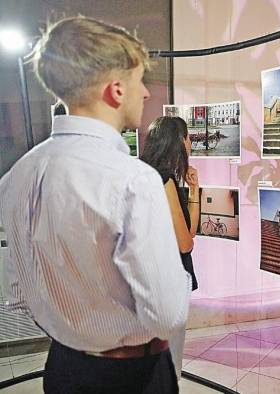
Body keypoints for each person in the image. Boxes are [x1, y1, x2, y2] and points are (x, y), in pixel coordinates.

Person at [0, 16, 189, 393]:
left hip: (62, 368)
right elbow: (168, 314)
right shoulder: (133, 180)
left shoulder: (16, 176)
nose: (147, 94)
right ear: (116, 90)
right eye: (140, 82)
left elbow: (17, 292)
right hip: (132, 376)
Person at [140, 116, 200, 379]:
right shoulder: (164, 181)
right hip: (169, 282)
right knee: (170, 362)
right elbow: (186, 243)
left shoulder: (142, 174)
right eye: (188, 138)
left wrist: (194, 190)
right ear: (179, 141)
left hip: (147, 279)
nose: (190, 144)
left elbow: (189, 233)